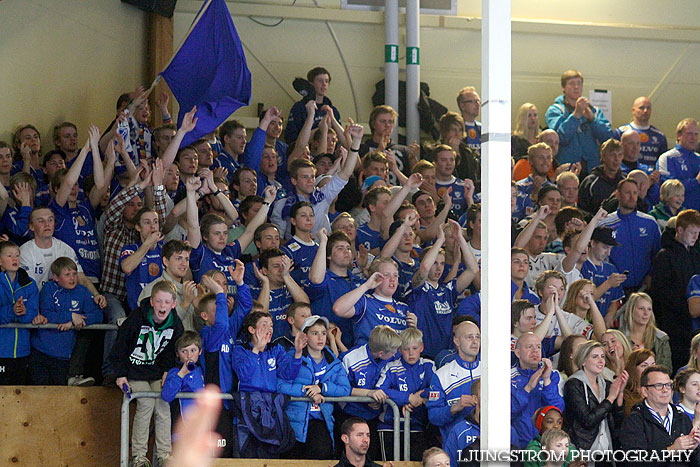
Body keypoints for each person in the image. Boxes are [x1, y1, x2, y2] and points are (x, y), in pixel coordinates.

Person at [109, 280, 184, 467]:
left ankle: (165, 455)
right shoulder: (136, 319)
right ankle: (139, 456)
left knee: (163, 405)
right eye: (159, 301)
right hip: (134, 371)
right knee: (146, 403)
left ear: (173, 304)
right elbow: (119, 347)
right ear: (151, 301)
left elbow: (171, 352)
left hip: (157, 372)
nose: (162, 306)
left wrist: (167, 371)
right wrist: (120, 374)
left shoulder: (176, 324)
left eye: (167, 302)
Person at [277, 315, 351, 459]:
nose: (320, 338)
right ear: (305, 336)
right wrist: (308, 391)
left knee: (321, 457)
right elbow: (279, 385)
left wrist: (321, 388)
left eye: (324, 333)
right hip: (293, 422)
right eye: (315, 333)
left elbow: (345, 389)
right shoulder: (292, 356)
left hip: (321, 421)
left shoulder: (333, 362)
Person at [407, 221, 478, 358]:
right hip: (423, 355)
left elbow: (473, 269)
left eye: (442, 263)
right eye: (435, 263)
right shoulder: (417, 288)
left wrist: (460, 239)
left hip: (446, 356)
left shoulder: (447, 290)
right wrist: (440, 240)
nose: (439, 268)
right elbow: (424, 268)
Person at [30, 257, 102, 385]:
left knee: (60, 399)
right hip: (40, 352)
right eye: (67, 275)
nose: (72, 278)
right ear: (56, 277)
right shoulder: (49, 289)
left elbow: (98, 315)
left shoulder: (83, 291)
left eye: (74, 274)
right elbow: (47, 313)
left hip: (64, 356)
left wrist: (74, 321)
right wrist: (71, 316)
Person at [340, 325, 402, 460]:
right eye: (393, 351)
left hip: (374, 418)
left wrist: (376, 401)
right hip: (349, 416)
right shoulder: (350, 359)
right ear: (381, 353)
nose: (396, 353)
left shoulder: (392, 359)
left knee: (371, 458)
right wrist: (368, 394)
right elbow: (341, 389)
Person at [620, 365, 700, 466]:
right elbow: (634, 461)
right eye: (658, 385)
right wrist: (670, 450)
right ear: (645, 391)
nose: (665, 390)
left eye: (668, 385)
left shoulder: (682, 418)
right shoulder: (634, 421)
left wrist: (694, 450)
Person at [652, 208, 700, 371]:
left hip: (692, 326)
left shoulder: (694, 256)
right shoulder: (665, 256)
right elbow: (661, 293)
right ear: (679, 230)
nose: (695, 237)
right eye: (692, 232)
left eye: (697, 233)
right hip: (674, 325)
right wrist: (687, 306)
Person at [377, 328, 435, 461]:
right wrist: (407, 398)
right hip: (389, 426)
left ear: (422, 348)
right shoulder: (391, 367)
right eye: (406, 349)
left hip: (417, 426)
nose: (411, 353)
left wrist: (418, 398)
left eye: (415, 348)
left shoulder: (428, 365)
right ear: (399, 350)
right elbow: (380, 390)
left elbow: (436, 390)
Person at [333, 257, 417, 346]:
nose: (392, 279)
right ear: (375, 277)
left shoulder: (404, 308)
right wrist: (367, 285)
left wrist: (413, 329)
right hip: (369, 358)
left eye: (395, 275)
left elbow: (412, 347)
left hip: (397, 359)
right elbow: (338, 309)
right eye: (387, 275)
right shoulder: (365, 302)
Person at [563, 341, 627, 455]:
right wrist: (611, 398)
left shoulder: (606, 384)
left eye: (602, 356)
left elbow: (617, 420)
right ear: (583, 361)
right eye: (595, 357)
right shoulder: (573, 385)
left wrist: (620, 392)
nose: (601, 360)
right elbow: (588, 420)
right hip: (583, 448)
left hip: (606, 448)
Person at [600, 178, 661, 292]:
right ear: (617, 195)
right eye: (627, 193)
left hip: (644, 287)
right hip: (614, 288)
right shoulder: (605, 223)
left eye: (635, 193)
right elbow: (599, 256)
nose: (632, 197)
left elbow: (657, 254)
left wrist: (651, 275)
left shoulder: (650, 222)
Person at [544, 69, 612, 171]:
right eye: (571, 84)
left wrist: (593, 120)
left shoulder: (594, 110)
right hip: (567, 169)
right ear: (563, 87)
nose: (576, 87)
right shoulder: (555, 110)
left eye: (579, 83)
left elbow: (607, 137)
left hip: (592, 168)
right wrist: (576, 115)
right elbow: (561, 138)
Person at [307, 229, 365, 348]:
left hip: (354, 348)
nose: (346, 251)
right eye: (340, 248)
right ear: (328, 255)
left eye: (348, 248)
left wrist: (365, 270)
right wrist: (323, 242)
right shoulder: (324, 277)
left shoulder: (359, 282)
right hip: (325, 347)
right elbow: (316, 280)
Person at [427, 318, 481, 438]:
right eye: (469, 337)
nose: (475, 341)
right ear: (456, 340)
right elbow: (433, 416)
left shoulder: (490, 370)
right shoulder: (441, 375)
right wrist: (455, 407)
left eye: (478, 337)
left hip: (488, 443)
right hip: (455, 446)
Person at [510, 332, 565, 449]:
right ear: (518, 353)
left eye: (538, 347)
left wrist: (546, 381)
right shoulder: (508, 377)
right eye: (529, 347)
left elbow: (558, 409)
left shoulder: (554, 375)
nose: (535, 351)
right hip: (518, 447)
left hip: (548, 447)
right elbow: (506, 413)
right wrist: (527, 388)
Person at [0, 240, 39, 385]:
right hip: (1, 351)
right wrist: (12, 310)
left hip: (22, 351)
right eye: (9, 255)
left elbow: (33, 312)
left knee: (19, 395)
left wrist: (23, 312)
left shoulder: (30, 283)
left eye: (17, 255)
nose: (14, 259)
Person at [137, 240, 196, 331]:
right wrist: (186, 303)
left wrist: (200, 308)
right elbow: (156, 327)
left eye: (187, 259)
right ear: (165, 261)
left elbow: (199, 327)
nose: (184, 264)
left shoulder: (191, 289)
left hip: (192, 343)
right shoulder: (152, 290)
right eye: (178, 258)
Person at [252, 248, 309, 339]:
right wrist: (266, 283)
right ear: (264, 271)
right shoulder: (255, 293)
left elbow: (305, 305)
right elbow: (259, 317)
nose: (281, 269)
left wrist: (286, 276)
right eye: (276, 266)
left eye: (283, 265)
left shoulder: (292, 288)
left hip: (293, 345)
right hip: (267, 347)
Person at [286, 67, 341, 144]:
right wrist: (321, 129)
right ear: (311, 83)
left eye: (326, 81)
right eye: (320, 81)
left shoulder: (332, 110)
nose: (324, 84)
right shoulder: (299, 108)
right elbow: (292, 139)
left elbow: (340, 141)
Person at [620, 292, 672, 372]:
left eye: (649, 309)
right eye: (641, 309)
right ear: (631, 310)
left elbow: (666, 368)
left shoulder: (661, 338)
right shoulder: (620, 337)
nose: (646, 313)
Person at [161, 331, 205, 423]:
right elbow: (166, 396)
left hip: (201, 426)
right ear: (177, 353)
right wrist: (181, 374)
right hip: (181, 429)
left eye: (193, 350)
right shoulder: (175, 372)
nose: (189, 355)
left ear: (200, 351)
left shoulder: (202, 370)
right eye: (184, 351)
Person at [657, 118, 700, 210]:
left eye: (696, 134)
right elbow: (668, 189)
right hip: (675, 216)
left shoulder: (698, 158)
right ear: (679, 135)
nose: (693, 138)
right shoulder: (667, 158)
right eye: (689, 134)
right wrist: (696, 181)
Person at [613, 96, 668, 166]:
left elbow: (663, 163)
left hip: (650, 175)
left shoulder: (660, 136)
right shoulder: (620, 133)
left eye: (648, 108)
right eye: (641, 108)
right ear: (633, 110)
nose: (645, 111)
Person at [577, 138, 625, 215]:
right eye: (612, 155)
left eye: (619, 155)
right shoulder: (591, 182)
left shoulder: (625, 181)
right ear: (603, 157)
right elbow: (582, 210)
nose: (616, 159)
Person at [442, 380, 481, 467]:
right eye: (486, 391)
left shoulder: (507, 431)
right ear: (475, 399)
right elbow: (449, 464)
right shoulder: (459, 431)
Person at [623, 348, 657, 417]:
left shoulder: (660, 391)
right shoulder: (625, 396)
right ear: (633, 369)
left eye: (653, 365)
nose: (650, 369)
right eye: (644, 365)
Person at [456, 87, 481, 155]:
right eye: (473, 101)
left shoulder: (482, 128)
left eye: (478, 101)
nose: (478, 104)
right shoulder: (455, 128)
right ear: (462, 105)